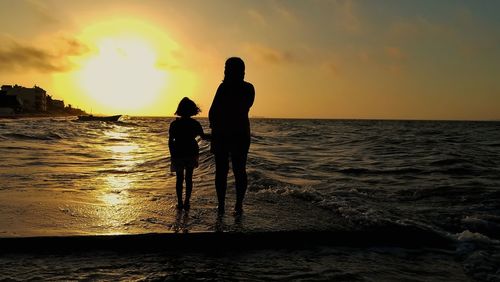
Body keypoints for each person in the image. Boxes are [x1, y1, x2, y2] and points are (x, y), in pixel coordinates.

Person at [209, 57, 255, 214]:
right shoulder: (249, 88)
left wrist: (215, 128)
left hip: (224, 133)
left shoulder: (224, 88)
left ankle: (222, 205)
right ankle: (237, 205)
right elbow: (244, 107)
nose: (225, 71)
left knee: (222, 171)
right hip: (241, 133)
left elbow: (213, 111)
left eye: (226, 68)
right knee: (239, 170)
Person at [169, 97, 209, 210]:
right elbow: (203, 136)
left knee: (179, 179)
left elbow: (170, 140)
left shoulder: (174, 124)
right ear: (193, 110)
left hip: (178, 152)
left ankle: (180, 202)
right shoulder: (195, 123)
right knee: (189, 178)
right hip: (191, 152)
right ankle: (187, 201)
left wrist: (172, 153)